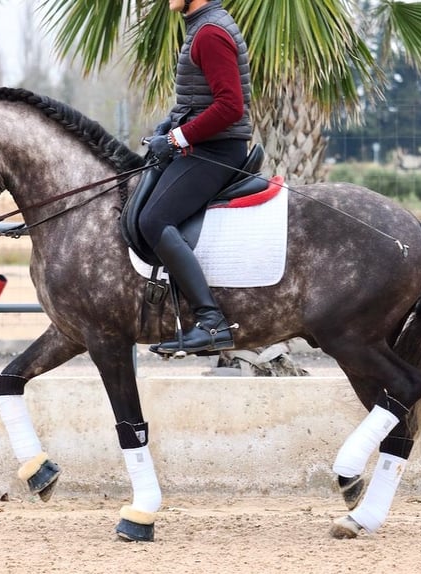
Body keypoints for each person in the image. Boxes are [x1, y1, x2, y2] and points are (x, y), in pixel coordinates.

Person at [139, 0, 252, 356]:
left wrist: (176, 138)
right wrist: (170, 125)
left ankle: (211, 321)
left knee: (154, 219)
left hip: (218, 152)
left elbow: (230, 106)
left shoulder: (210, 33)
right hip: (204, 146)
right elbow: (195, 99)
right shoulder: (199, 27)